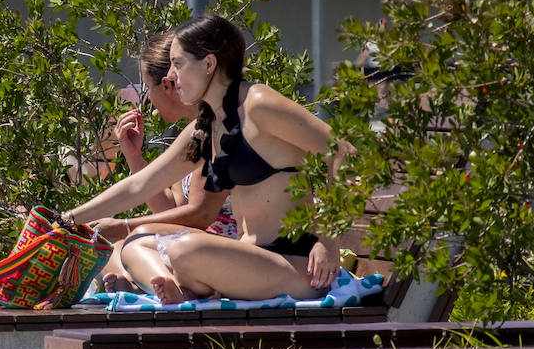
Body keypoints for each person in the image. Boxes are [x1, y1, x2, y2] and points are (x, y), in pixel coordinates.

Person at [63, 15, 342, 303]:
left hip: (294, 266)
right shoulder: (208, 125)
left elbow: (344, 151)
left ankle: (183, 289)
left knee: (185, 250)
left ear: (209, 64)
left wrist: (329, 242)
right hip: (252, 258)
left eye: (178, 64)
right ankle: (181, 290)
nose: (171, 75)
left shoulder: (257, 103)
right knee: (135, 243)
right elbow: (141, 185)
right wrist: (68, 220)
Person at [90, 33, 237, 293]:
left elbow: (197, 215)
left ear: (168, 85)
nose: (150, 103)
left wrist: (123, 225)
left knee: (133, 239)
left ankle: (160, 286)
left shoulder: (214, 127)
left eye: (148, 89)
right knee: (111, 248)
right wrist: (134, 156)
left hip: (226, 248)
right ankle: (140, 283)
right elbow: (173, 209)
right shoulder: (193, 132)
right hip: (204, 243)